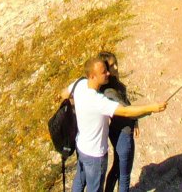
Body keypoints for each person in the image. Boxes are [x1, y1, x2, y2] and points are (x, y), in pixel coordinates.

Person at [65, 56, 166, 192]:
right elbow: (125, 112)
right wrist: (152, 108)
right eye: (104, 72)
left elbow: (63, 94)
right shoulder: (98, 101)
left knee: (80, 179)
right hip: (95, 155)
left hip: (81, 147)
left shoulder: (79, 84)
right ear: (93, 76)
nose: (108, 73)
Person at [100, 51, 137, 192]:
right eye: (111, 65)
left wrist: (136, 122)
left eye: (116, 63)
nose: (116, 67)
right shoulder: (109, 91)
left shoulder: (115, 84)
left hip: (119, 131)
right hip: (122, 133)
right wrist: (151, 109)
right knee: (124, 174)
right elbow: (127, 108)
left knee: (117, 168)